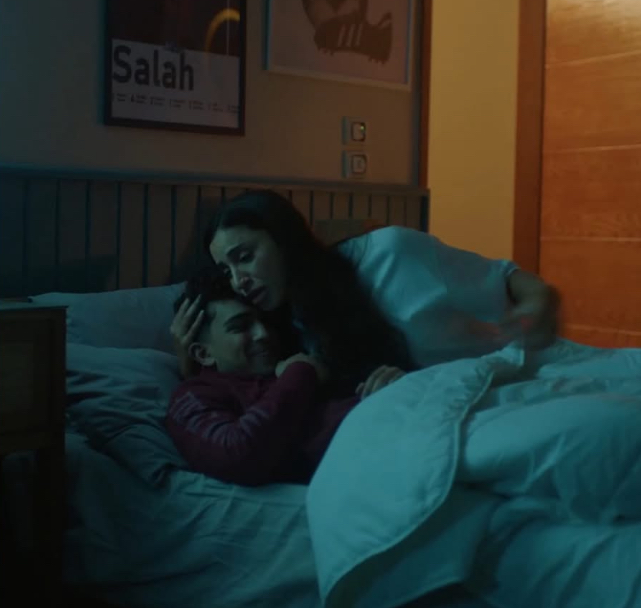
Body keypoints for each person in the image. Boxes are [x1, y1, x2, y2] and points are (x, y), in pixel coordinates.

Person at [170, 189, 558, 388]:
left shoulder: (391, 253)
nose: (238, 281)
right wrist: (187, 360)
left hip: (510, 382)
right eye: (226, 270)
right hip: (434, 414)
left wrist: (538, 299)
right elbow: (246, 400)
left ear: (284, 240)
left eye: (245, 257)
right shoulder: (284, 327)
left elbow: (507, 277)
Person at [165, 265, 405, 486]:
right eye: (240, 326)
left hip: (401, 422)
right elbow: (236, 456)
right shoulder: (193, 396)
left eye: (265, 322)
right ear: (203, 353)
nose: (263, 333)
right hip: (382, 462)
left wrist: (390, 388)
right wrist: (300, 372)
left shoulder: (291, 363)